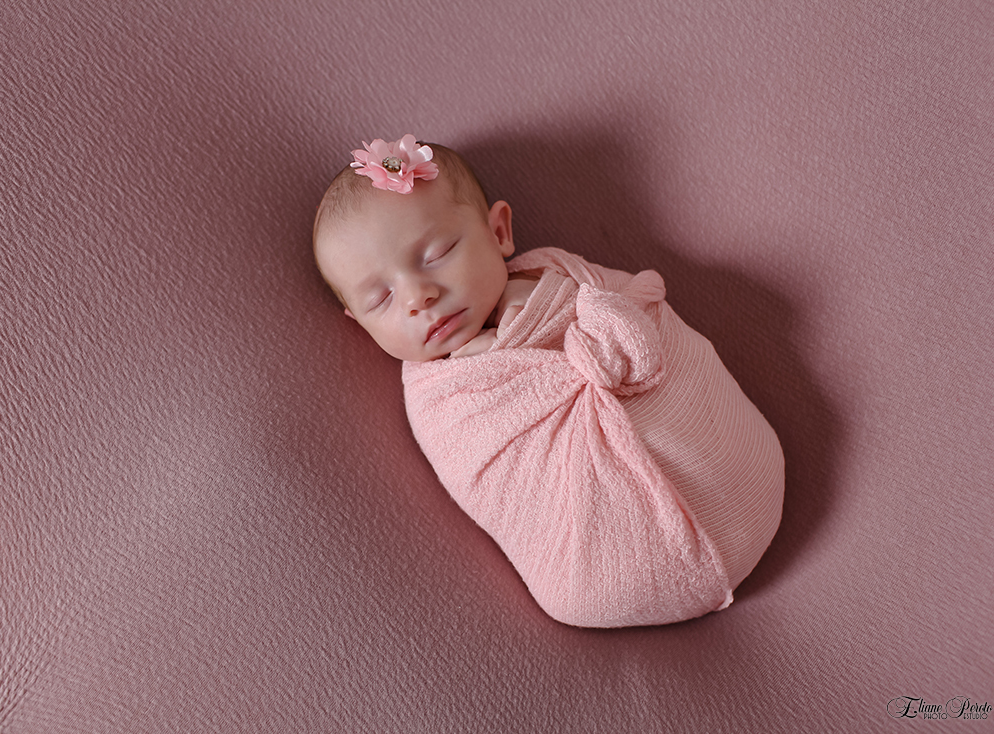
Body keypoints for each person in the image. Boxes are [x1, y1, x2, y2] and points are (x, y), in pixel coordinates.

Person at [314, 136, 784, 627]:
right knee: (581, 581)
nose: (418, 296)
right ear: (360, 325)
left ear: (499, 232)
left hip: (745, 478)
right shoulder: (440, 402)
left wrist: (541, 311)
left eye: (438, 253)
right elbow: (491, 476)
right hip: (615, 579)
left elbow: (632, 311)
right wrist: (507, 354)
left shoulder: (563, 275)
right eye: (381, 299)